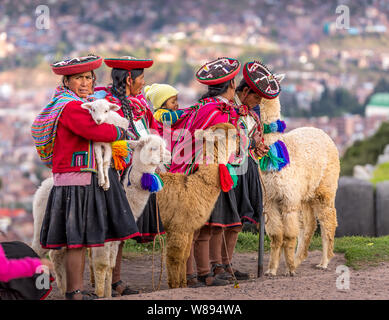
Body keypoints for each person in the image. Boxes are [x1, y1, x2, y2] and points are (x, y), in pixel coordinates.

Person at [31, 55, 140, 300]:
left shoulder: (78, 103)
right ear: (66, 81)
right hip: (77, 180)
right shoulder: (71, 107)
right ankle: (74, 292)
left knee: (78, 239)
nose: (84, 83)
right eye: (78, 78)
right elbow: (95, 130)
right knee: (77, 240)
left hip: (78, 178)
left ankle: (76, 290)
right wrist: (120, 130)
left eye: (88, 78)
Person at [165, 57, 242, 287]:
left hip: (200, 172)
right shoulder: (217, 112)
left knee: (200, 226)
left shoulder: (205, 108)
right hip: (201, 175)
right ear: (231, 86)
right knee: (193, 226)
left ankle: (200, 274)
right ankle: (190, 276)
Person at [94, 56, 165, 295]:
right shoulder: (106, 104)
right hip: (113, 170)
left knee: (122, 227)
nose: (143, 83)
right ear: (128, 79)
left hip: (134, 174)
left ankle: (114, 280)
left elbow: (151, 130)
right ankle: (102, 281)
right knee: (109, 226)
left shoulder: (140, 105)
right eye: (141, 78)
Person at [209, 60, 281, 281]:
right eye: (256, 97)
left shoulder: (251, 115)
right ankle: (215, 266)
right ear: (245, 91)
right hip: (227, 169)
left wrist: (257, 145)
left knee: (237, 221)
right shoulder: (225, 109)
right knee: (221, 219)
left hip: (246, 167)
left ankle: (227, 263)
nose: (257, 102)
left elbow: (251, 139)